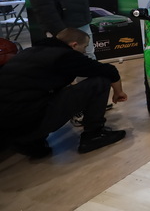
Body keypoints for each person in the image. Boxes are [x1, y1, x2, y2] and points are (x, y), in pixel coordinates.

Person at [0, 28, 128, 159]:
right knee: (99, 82)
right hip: (30, 123)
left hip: (7, 126)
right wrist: (118, 92)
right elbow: (109, 70)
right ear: (74, 45)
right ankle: (94, 135)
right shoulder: (65, 56)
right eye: (84, 47)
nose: (85, 51)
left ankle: (30, 141)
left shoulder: (28, 52)